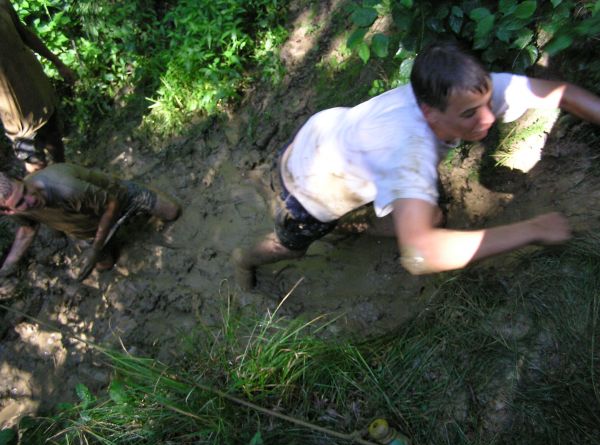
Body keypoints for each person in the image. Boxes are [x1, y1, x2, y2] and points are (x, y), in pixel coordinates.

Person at [233, 40, 600, 291]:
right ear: (428, 112)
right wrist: (534, 230)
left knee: (432, 217)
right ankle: (243, 260)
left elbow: (562, 93)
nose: (488, 120)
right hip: (311, 181)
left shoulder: (464, 92)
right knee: (293, 246)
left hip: (334, 135)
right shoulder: (410, 151)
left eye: (488, 101)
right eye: (470, 114)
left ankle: (353, 224)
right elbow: (422, 254)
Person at [0, 163, 181, 280]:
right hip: (87, 230)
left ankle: (140, 193)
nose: (30, 200)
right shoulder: (17, 211)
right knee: (105, 265)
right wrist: (8, 266)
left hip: (120, 197)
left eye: (25, 190)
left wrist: (95, 249)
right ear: (9, 211)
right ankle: (100, 244)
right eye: (21, 203)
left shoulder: (64, 186)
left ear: (20, 180)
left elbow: (112, 203)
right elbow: (27, 230)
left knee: (172, 212)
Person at [0, 0, 75, 173]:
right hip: (16, 117)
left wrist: (57, 62)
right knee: (36, 167)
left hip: (39, 93)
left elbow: (25, 34)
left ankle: (68, 191)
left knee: (57, 150)